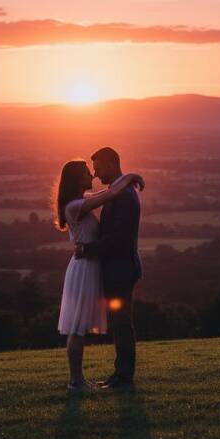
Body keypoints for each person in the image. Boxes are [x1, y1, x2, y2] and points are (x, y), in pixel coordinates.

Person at [54, 159, 144, 392]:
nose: (92, 176)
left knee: (81, 327)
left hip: (89, 266)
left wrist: (127, 178)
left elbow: (109, 191)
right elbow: (111, 192)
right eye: (86, 173)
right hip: (83, 268)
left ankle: (81, 380)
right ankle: (75, 381)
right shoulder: (75, 206)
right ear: (76, 179)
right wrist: (132, 175)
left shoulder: (81, 202)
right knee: (77, 327)